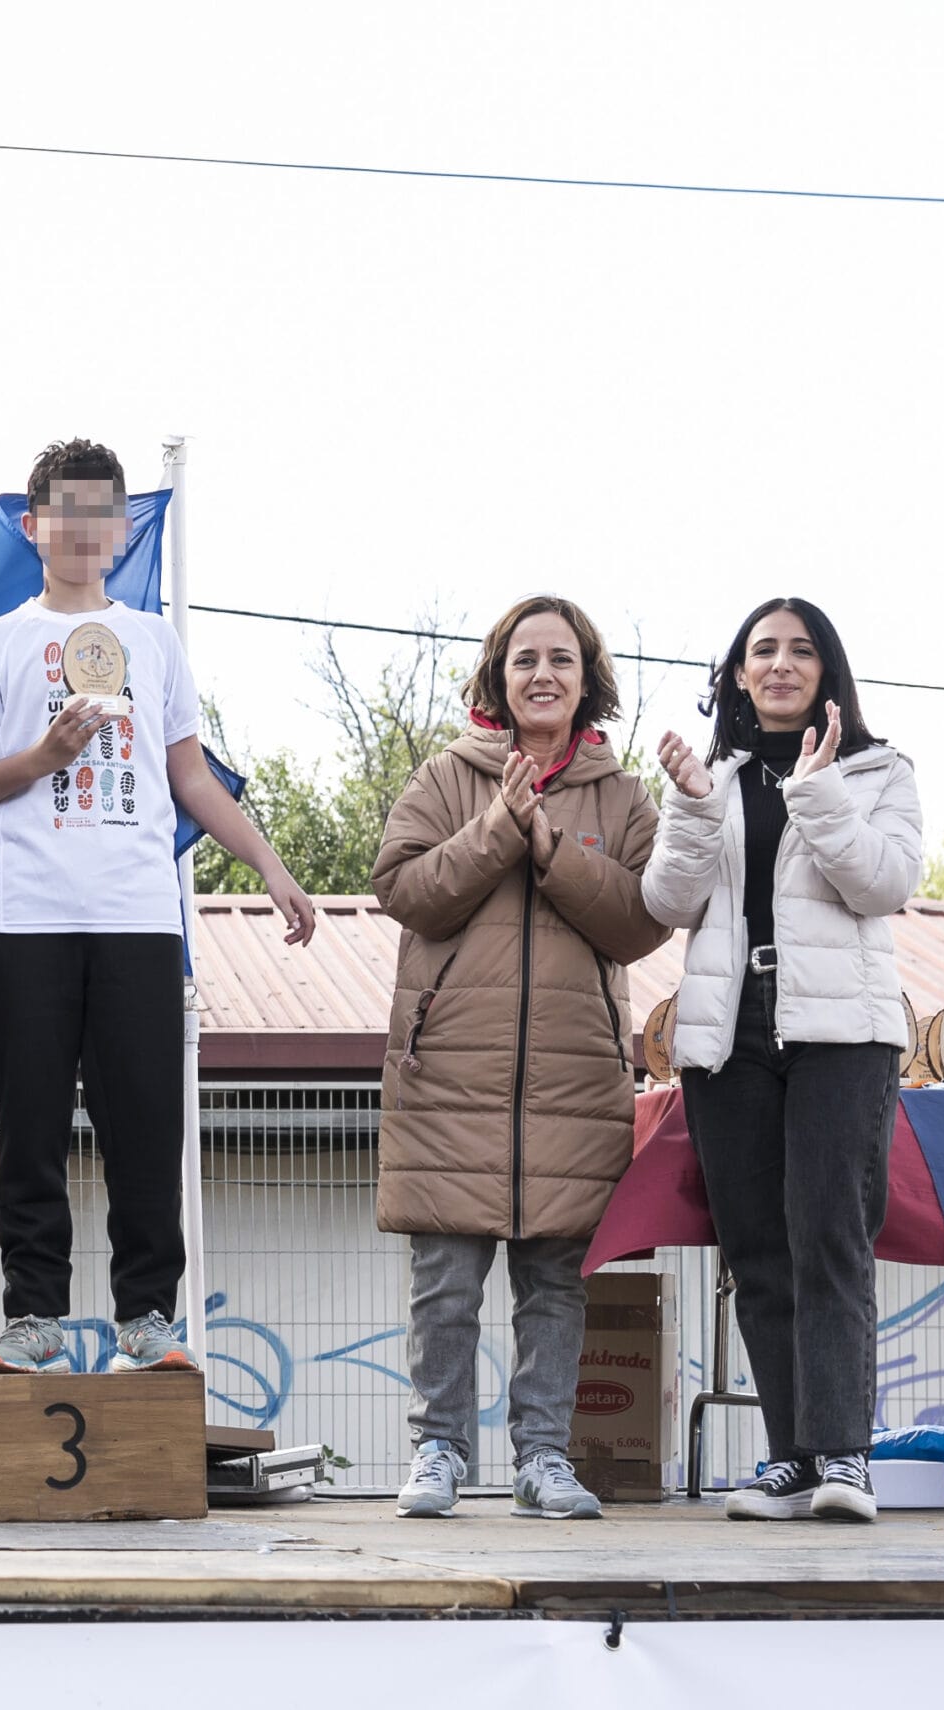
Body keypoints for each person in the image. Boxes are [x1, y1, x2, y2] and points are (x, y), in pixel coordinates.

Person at [0, 440, 318, 1377]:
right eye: (63, 511)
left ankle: (147, 1318)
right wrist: (41, 759)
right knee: (29, 1129)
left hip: (138, 916)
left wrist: (270, 864)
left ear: (121, 529)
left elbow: (192, 776)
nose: (82, 528)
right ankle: (34, 1319)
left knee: (145, 1126)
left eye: (100, 511)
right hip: (22, 917)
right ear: (33, 526)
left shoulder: (154, 641)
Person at [373, 594, 665, 1521]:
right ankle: (439, 1451)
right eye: (525, 659)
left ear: (588, 680)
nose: (543, 674)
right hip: (449, 1077)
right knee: (445, 1286)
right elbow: (404, 889)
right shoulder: (445, 777)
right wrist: (500, 826)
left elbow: (643, 920)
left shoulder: (625, 798)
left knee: (556, 1288)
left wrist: (552, 849)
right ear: (498, 677)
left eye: (561, 660)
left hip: (575, 1082)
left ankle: (544, 1457)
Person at [644, 598, 922, 1523]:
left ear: (827, 670)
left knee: (829, 1236)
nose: (780, 664)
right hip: (730, 1029)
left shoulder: (879, 771)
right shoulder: (711, 780)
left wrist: (818, 791)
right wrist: (692, 807)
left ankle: (845, 1455)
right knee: (758, 1248)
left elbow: (884, 883)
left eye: (801, 650)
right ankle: (792, 1460)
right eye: (762, 650)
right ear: (737, 674)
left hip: (842, 1030)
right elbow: (667, 903)